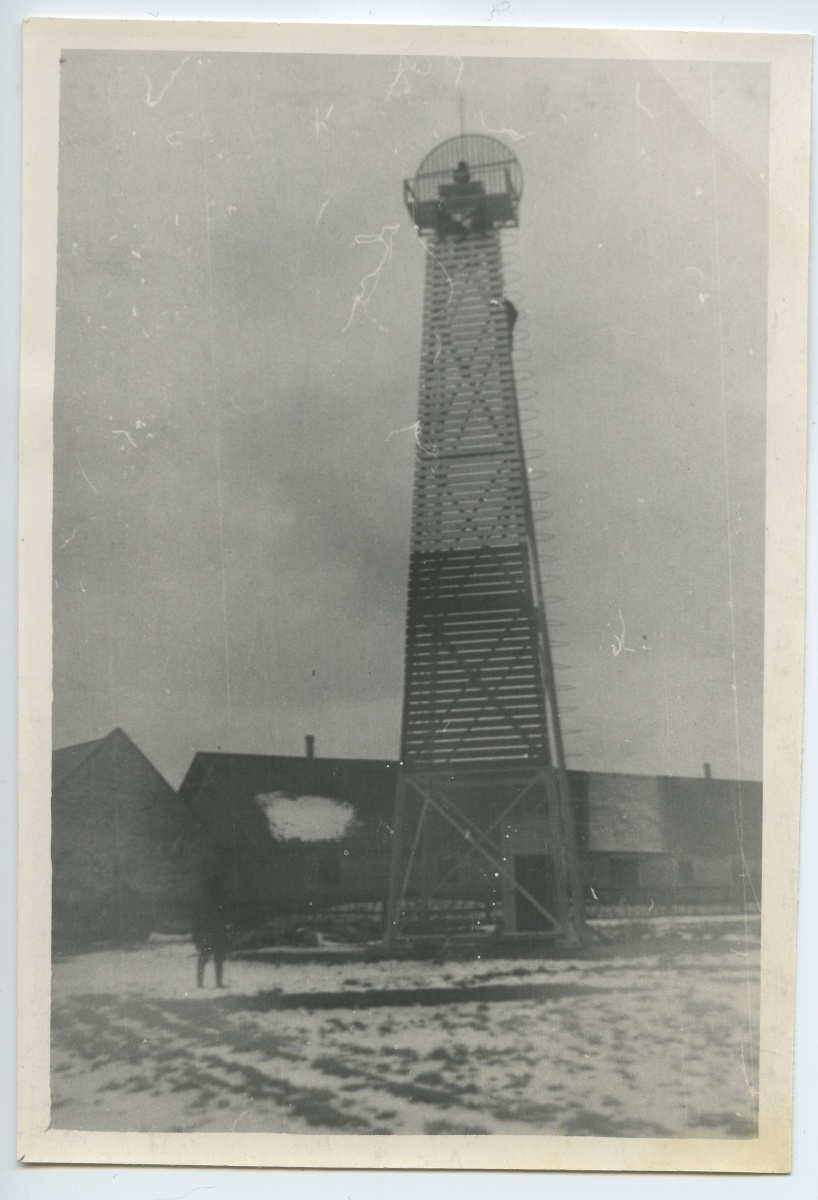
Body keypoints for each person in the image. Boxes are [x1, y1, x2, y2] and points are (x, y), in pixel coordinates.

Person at [193, 872, 230, 988]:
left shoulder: (202, 900)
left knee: (204, 958)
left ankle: (200, 982)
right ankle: (218, 982)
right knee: (218, 958)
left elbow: (196, 920)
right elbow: (222, 917)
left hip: (207, 934)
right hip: (216, 933)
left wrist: (197, 937)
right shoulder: (218, 899)